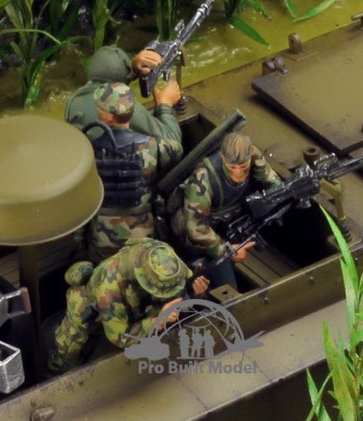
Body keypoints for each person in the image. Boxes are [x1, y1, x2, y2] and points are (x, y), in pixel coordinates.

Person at [48, 237, 191, 372]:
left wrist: (194, 290)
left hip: (131, 298)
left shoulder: (162, 254)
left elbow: (184, 278)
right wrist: (156, 321)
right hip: (88, 307)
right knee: (70, 348)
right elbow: (120, 337)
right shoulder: (108, 287)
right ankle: (55, 371)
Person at [167, 130, 282, 295]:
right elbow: (196, 229)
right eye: (232, 167)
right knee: (228, 288)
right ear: (222, 158)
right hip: (202, 236)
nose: (238, 173)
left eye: (243, 166)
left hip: (231, 222)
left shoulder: (253, 156)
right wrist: (225, 251)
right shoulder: (203, 179)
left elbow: (273, 183)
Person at [82, 80, 182, 261]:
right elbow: (176, 148)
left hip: (102, 235)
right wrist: (164, 108)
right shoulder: (154, 147)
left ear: (108, 117)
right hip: (142, 233)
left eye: (100, 108)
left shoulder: (88, 149)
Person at [63, 45, 167, 135]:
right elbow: (170, 137)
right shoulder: (122, 106)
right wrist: (164, 105)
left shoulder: (74, 100)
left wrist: (133, 71)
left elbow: (111, 83)